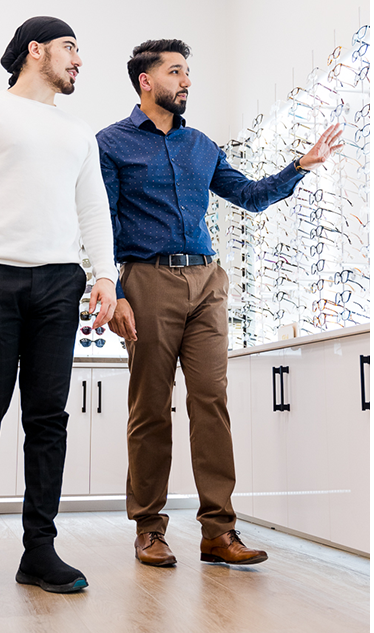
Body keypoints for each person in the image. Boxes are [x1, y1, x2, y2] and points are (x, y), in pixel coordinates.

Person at [96, 38, 342, 568]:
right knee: (150, 408)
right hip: (147, 279)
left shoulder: (201, 145)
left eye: (188, 73)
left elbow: (250, 196)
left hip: (207, 281)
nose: (187, 82)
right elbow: (101, 225)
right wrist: (113, 292)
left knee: (211, 401)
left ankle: (218, 531)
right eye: (176, 72)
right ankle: (149, 528)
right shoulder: (111, 144)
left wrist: (300, 164)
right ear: (146, 81)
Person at [0, 16, 118, 593]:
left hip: (60, 283)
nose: (79, 60)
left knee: (48, 418)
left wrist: (105, 277)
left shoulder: (79, 133)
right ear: (35, 50)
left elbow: (94, 211)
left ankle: (39, 548)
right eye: (70, 48)